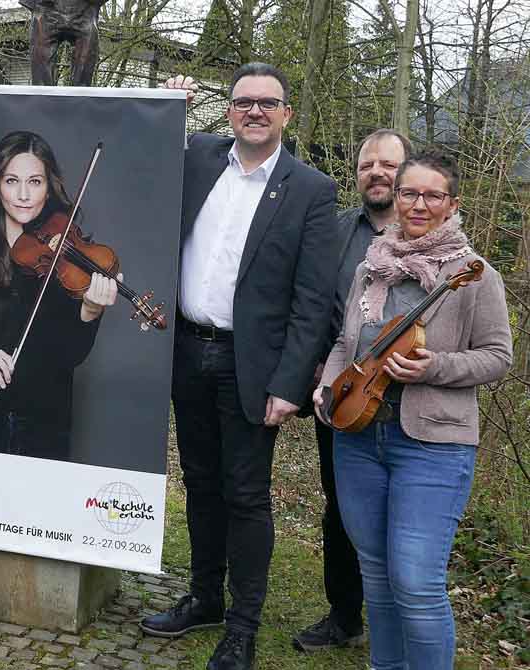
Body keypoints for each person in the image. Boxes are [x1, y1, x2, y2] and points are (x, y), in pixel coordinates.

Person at [140, 64, 340, 670]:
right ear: (228, 111)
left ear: (286, 114)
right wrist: (166, 109)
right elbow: (139, 162)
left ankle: (242, 625)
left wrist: (290, 382)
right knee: (199, 483)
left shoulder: (310, 189)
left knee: (246, 494)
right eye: (243, 102)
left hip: (251, 366)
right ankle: (203, 597)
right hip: (185, 350)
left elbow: (314, 301)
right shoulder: (199, 156)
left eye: (267, 103)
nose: (254, 111)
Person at [315, 150, 512, 670]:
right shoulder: (371, 266)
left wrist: (436, 367)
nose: (418, 204)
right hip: (357, 438)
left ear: (452, 204)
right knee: (376, 574)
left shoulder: (473, 273)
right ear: (396, 198)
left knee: (416, 582)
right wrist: (330, 382)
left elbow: (498, 356)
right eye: (409, 193)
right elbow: (346, 340)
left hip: (432, 446)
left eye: (432, 195)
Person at [0, 130, 118, 461]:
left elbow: (69, 356)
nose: (24, 194)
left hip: (44, 428)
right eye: (12, 181)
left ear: (48, 188)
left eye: (35, 182)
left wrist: (89, 311)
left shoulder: (64, 263)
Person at [293, 128, 412, 653]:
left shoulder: (430, 235)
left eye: (388, 164)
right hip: (343, 395)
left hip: (412, 404)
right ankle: (345, 615)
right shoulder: (339, 232)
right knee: (340, 508)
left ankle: (404, 617)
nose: (377, 173)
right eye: (367, 165)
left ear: (406, 172)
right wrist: (320, 371)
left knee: (403, 517)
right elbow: (315, 303)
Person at [21, 0, 109, 86]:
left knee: (83, 82)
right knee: (41, 85)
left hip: (85, 10)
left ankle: (81, 97)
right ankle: (42, 98)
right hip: (46, 9)